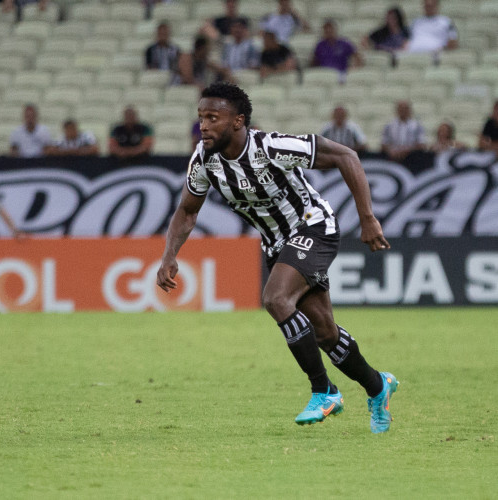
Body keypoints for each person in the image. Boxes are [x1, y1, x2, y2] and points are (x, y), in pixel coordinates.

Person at [156, 81, 398, 434]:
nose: (203, 125)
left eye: (213, 117)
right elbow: (187, 211)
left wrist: (367, 217)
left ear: (238, 121)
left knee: (275, 298)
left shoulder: (270, 147)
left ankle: (324, 391)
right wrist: (169, 255)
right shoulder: (204, 160)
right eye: (200, 117)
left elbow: (347, 156)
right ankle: (378, 387)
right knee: (324, 333)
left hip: (314, 226)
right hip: (277, 244)